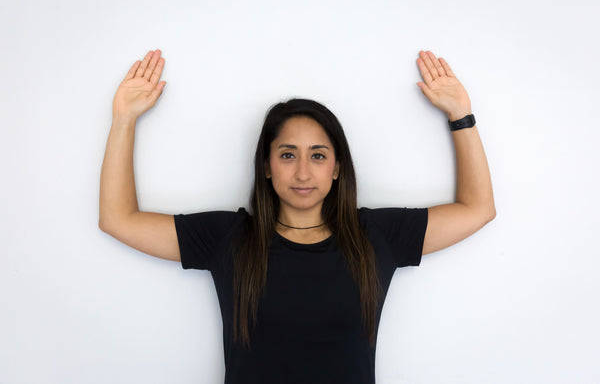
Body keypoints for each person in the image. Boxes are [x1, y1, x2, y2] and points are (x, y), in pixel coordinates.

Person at [99, 49, 496, 384]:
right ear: (267, 166)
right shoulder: (230, 237)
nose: (303, 172)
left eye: (318, 155)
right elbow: (118, 219)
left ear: (337, 167)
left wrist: (461, 115)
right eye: (288, 155)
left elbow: (478, 209)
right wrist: (124, 118)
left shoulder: (377, 235)